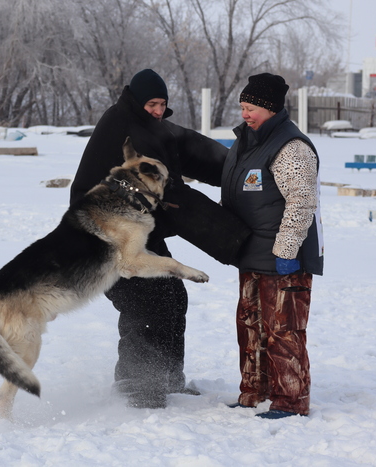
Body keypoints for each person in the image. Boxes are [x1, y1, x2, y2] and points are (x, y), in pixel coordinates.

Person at [70, 69, 250, 409]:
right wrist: (233, 238)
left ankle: (165, 377)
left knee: (172, 295)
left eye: (162, 104)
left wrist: (238, 169)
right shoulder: (124, 129)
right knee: (145, 300)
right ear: (137, 101)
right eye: (152, 104)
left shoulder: (148, 126)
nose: (158, 110)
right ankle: (138, 384)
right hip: (102, 238)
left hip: (136, 231)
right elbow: (173, 196)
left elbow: (189, 147)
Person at [220, 73, 324, 419]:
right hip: (250, 251)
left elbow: (302, 201)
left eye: (251, 108)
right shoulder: (246, 141)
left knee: (283, 330)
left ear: (270, 108)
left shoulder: (291, 147)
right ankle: (254, 391)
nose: (244, 114)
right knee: (250, 327)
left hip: (284, 257)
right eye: (242, 107)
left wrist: (286, 251)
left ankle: (290, 400)